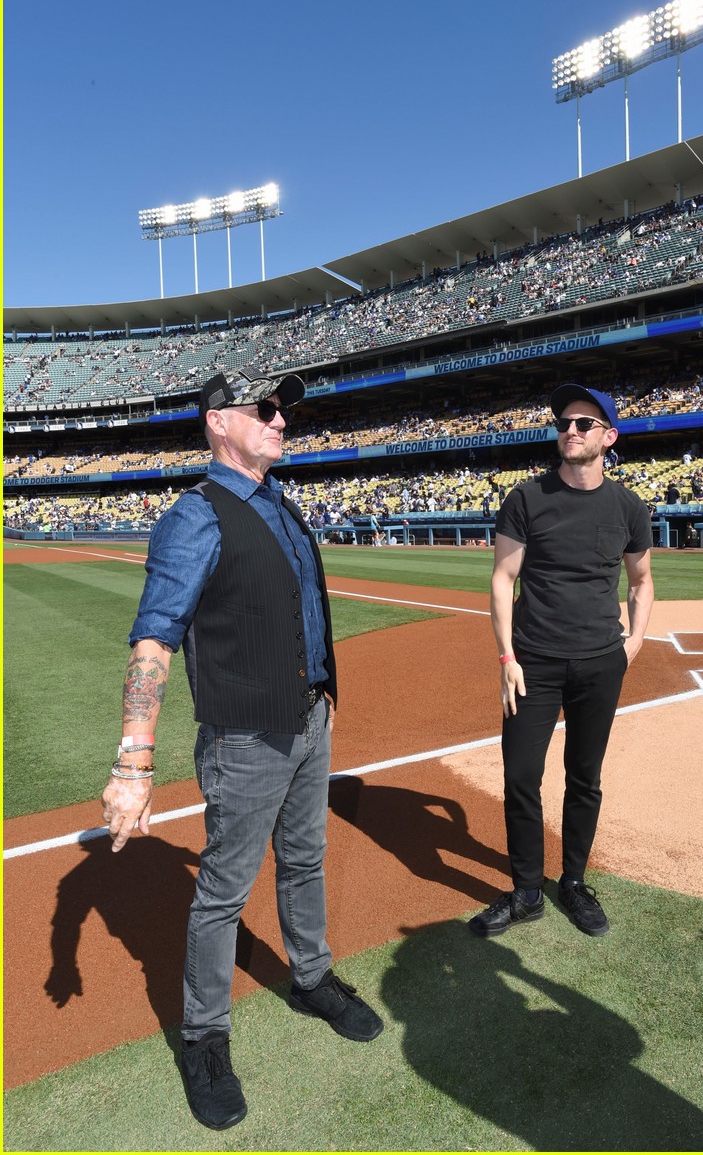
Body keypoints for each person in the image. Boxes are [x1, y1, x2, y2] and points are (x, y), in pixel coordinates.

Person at [100, 366, 383, 1131]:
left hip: (307, 721)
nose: (281, 420)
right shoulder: (196, 516)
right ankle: (204, 1037)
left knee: (304, 859)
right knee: (223, 891)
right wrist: (134, 759)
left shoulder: (281, 506)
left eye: (284, 411)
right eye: (264, 410)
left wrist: (320, 695)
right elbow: (156, 635)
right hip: (245, 736)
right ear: (218, 422)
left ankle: (312, 976)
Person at [469, 383, 653, 941]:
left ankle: (572, 882)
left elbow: (642, 582)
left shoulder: (628, 506)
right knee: (522, 777)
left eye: (583, 423)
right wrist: (506, 654)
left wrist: (635, 643)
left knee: (585, 777)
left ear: (608, 437)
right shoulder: (526, 497)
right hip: (534, 663)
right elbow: (503, 579)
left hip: (601, 662)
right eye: (564, 422)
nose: (569, 430)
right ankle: (527, 890)